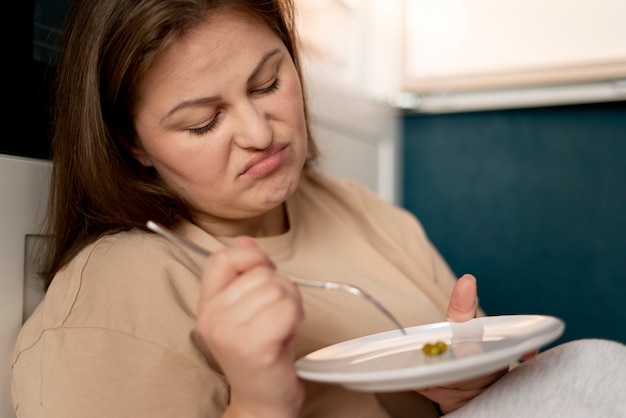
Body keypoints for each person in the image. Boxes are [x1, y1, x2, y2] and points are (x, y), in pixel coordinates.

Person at [11, 0, 626, 417]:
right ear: (133, 143)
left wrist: (471, 385)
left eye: (267, 84)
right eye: (203, 122)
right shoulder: (115, 298)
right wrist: (259, 401)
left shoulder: (360, 212)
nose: (259, 131)